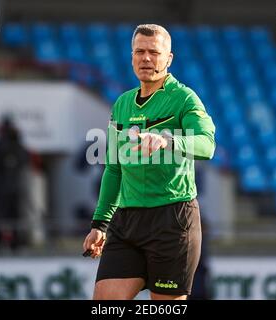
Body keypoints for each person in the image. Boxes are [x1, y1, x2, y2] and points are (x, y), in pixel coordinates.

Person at [82, 24, 216, 300]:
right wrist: (100, 224)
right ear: (131, 56)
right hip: (127, 223)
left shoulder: (183, 99)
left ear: (168, 59)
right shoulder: (122, 104)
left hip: (172, 220)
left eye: (154, 52)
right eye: (139, 51)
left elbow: (207, 144)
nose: (146, 58)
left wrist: (170, 140)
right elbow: (114, 169)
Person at [0, 116, 30, 250]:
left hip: (15, 187)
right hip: (2, 187)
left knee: (16, 216)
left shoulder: (18, 146)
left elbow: (23, 159)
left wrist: (16, 140)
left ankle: (16, 243)